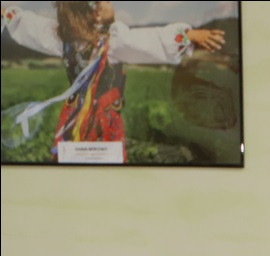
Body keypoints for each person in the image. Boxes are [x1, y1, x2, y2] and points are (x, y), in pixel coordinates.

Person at [0, 1, 224, 161]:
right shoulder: (84, 41)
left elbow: (147, 41)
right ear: (95, 12)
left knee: (93, 160)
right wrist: (188, 36)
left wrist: (189, 36)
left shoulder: (107, 41)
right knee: (81, 159)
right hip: (85, 119)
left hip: (93, 118)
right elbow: (145, 41)